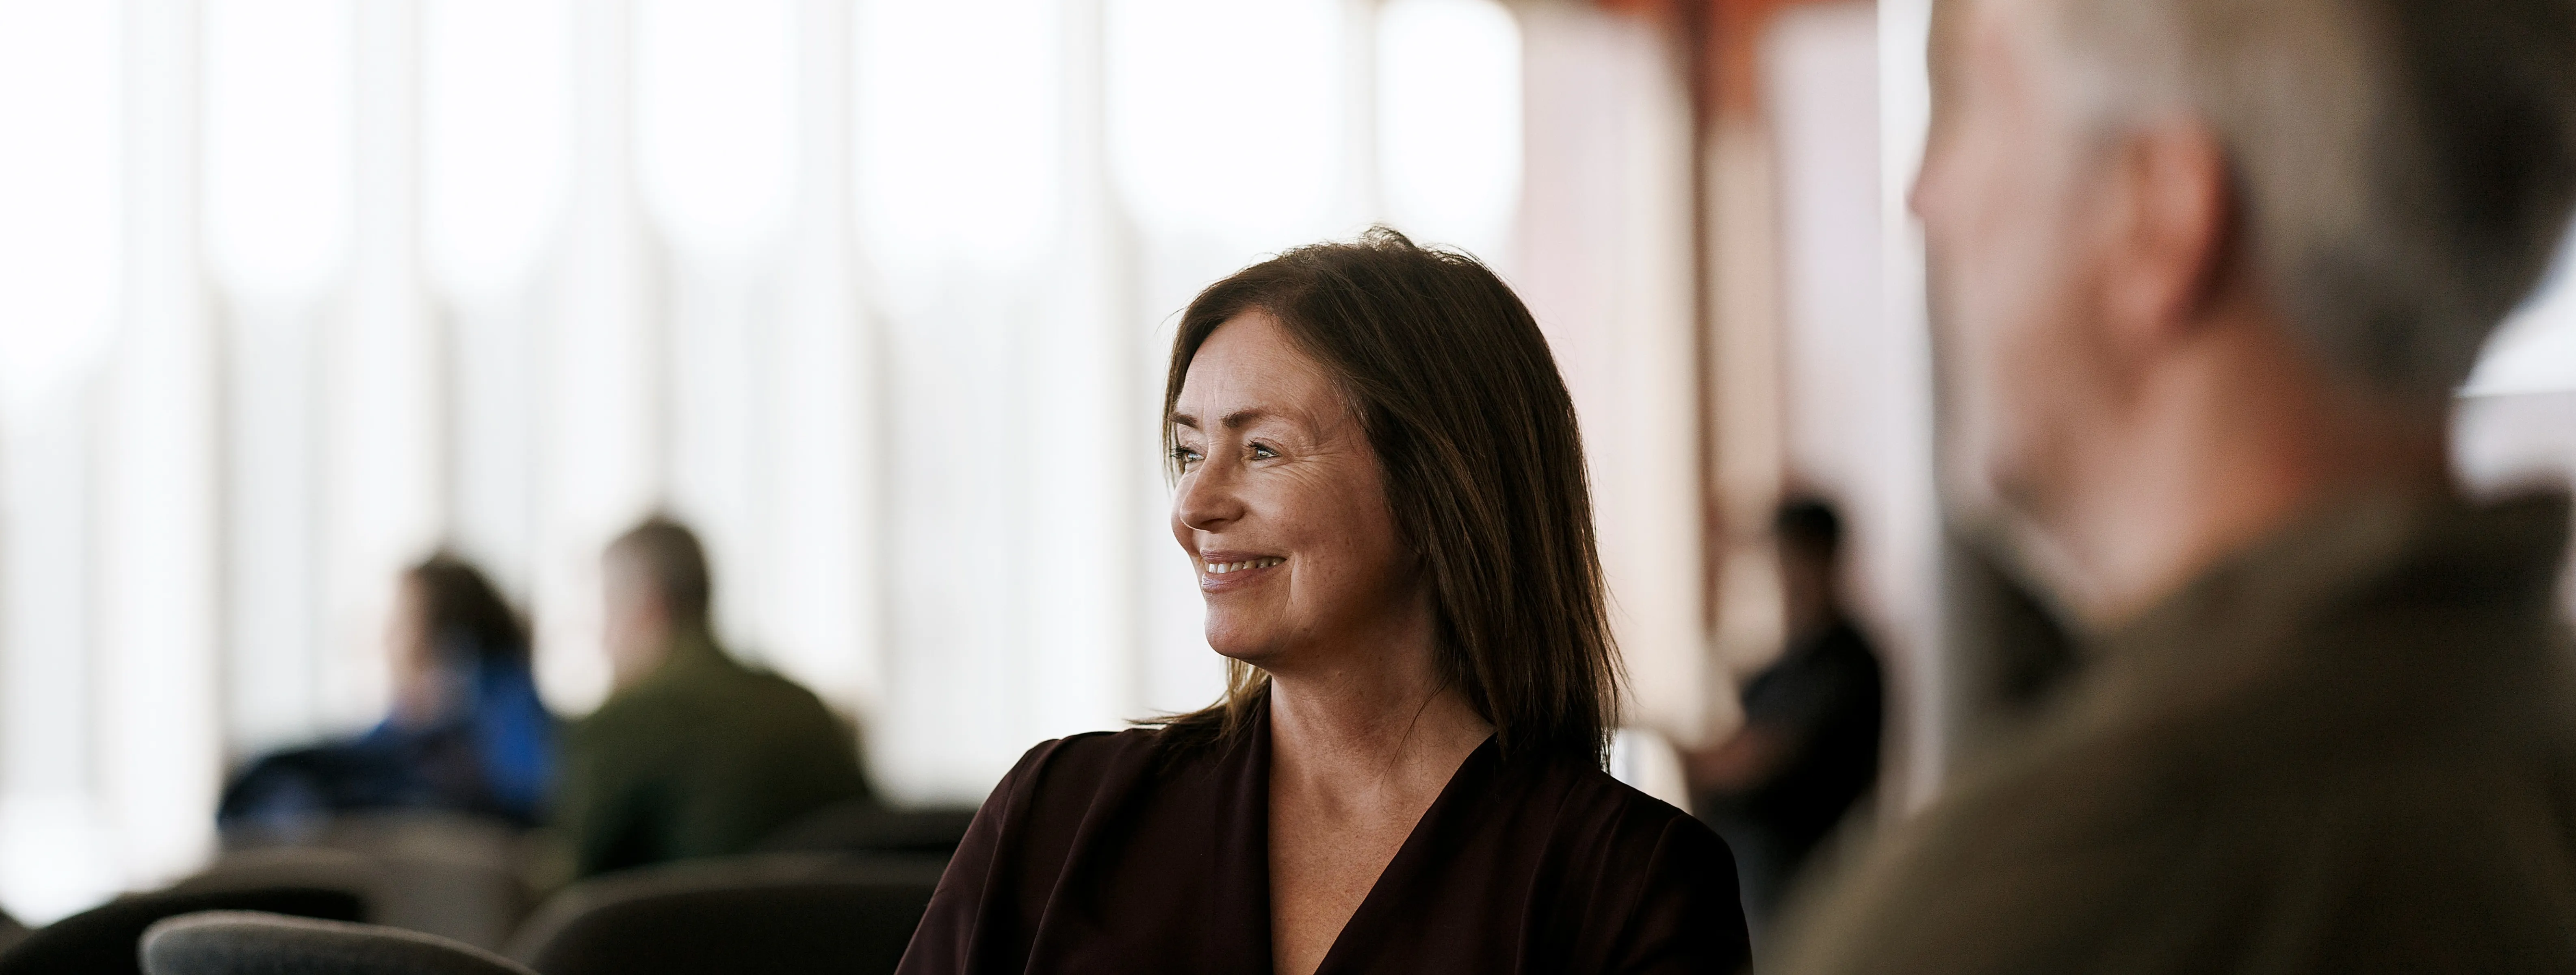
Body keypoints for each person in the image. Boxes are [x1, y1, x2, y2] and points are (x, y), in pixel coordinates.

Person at [1769, 0, 2576, 971]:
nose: (1920, 198)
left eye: (1970, 101)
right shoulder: (2515, 761)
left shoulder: (2024, 916)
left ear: (2158, 215)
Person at [899, 230, 1750, 975]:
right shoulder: (1056, 811)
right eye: (1188, 450)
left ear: (1435, 492)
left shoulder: (1625, 883)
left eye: (1261, 448)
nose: (1194, 506)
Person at [554, 517, 869, 878]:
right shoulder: (806, 707)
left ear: (647, 607)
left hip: (690, 933)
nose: (602, 639)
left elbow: (570, 890)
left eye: (608, 610)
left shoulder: (622, 721)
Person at [220, 554, 555, 831]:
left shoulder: (503, 709)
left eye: (401, 622)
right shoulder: (397, 730)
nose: (385, 641)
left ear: (445, 643)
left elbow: (527, 795)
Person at [1691, 498, 1883, 932]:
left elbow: (1755, 759)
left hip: (1798, 882)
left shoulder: (1846, 662)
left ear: (1825, 558)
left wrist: (1677, 751)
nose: (1786, 573)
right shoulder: (1793, 661)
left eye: (1796, 557)